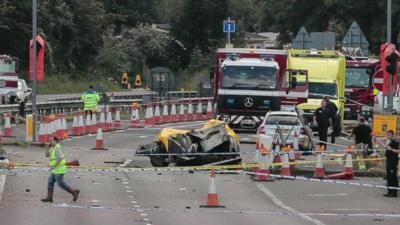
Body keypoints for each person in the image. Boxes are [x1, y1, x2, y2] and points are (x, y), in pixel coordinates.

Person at [41, 137, 80, 203]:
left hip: (59, 169)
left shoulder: (57, 147)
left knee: (60, 183)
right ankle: (49, 197)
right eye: (50, 140)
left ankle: (74, 192)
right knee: (50, 181)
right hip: (55, 169)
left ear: (56, 141)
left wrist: (53, 166)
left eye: (51, 140)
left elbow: (59, 159)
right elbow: (47, 155)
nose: (50, 141)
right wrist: (47, 147)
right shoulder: (53, 148)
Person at [378, 130, 400, 197]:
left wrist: (391, 149)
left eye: (389, 135)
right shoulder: (391, 142)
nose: (388, 136)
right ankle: (389, 191)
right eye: (387, 135)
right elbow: (387, 148)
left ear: (393, 135)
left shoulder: (396, 143)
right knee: (389, 176)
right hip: (389, 160)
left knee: (392, 176)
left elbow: (398, 151)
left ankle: (394, 192)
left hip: (393, 161)